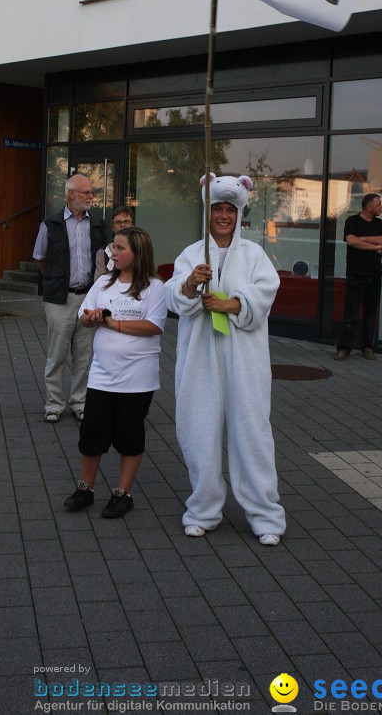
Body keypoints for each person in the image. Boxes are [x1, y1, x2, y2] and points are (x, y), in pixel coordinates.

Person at [165, 173, 286, 546]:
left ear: (238, 214)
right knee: (198, 430)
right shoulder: (191, 253)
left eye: (229, 210)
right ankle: (203, 508)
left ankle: (265, 514)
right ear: (209, 211)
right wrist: (190, 284)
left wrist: (229, 304)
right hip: (200, 357)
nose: (222, 215)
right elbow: (173, 296)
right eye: (216, 208)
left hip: (244, 360)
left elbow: (265, 294)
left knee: (252, 432)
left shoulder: (254, 255)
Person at [63, 227, 167, 517]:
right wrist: (92, 317)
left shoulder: (155, 287)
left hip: (137, 380)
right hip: (102, 376)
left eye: (121, 248)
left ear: (138, 253)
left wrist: (113, 324)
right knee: (91, 434)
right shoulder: (103, 284)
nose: (114, 253)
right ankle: (86, 489)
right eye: (114, 247)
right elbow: (84, 317)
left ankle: (122, 494)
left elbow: (155, 326)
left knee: (129, 437)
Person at [33, 174, 107, 423]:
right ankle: (54, 404)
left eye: (91, 192)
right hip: (59, 299)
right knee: (57, 354)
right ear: (71, 194)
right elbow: (40, 259)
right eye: (86, 192)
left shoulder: (97, 224)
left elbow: (104, 260)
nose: (90, 196)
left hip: (88, 297)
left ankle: (79, 402)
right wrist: (57, 281)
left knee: (84, 356)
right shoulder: (50, 224)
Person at [335, 193, 382, 361]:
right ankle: (344, 348)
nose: (381, 207)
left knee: (370, 313)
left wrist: (364, 239)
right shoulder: (351, 221)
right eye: (378, 204)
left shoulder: (380, 223)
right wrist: (375, 247)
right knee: (350, 314)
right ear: (369, 207)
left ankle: (367, 347)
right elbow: (352, 241)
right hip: (356, 274)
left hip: (375, 274)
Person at [93, 204, 135, 279]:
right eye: (118, 222)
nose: (122, 225)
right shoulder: (103, 252)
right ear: (112, 227)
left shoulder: (141, 248)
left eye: (126, 221)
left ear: (133, 225)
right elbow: (99, 284)